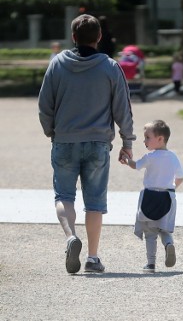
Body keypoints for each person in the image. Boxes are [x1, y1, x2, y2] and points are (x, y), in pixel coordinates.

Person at [38, 14, 135, 274]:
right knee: (95, 202)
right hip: (98, 143)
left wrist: (51, 132)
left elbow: (45, 105)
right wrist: (128, 141)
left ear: (73, 37)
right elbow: (122, 108)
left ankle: (71, 236)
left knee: (64, 196)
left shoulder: (57, 64)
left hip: (65, 140)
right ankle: (93, 257)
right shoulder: (110, 67)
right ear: (100, 37)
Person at [121, 120, 183, 273]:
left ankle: (151, 264)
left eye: (148, 137)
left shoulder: (150, 156)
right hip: (167, 197)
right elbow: (181, 176)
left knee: (150, 233)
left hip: (150, 197)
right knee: (164, 230)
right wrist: (173, 187)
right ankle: (169, 245)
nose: (144, 140)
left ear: (160, 139)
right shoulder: (173, 157)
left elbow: (135, 165)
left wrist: (126, 160)